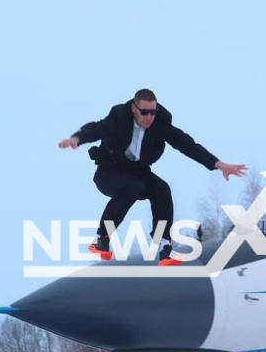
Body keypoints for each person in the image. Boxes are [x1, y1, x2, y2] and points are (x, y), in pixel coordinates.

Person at [58, 88, 247, 264]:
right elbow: (97, 128)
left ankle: (164, 245)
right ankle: (102, 238)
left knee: (161, 189)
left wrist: (218, 164)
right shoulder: (119, 117)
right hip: (109, 172)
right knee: (133, 186)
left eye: (153, 112)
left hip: (138, 173)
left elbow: (187, 145)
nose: (149, 117)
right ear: (134, 108)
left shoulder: (161, 124)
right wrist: (77, 138)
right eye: (144, 112)